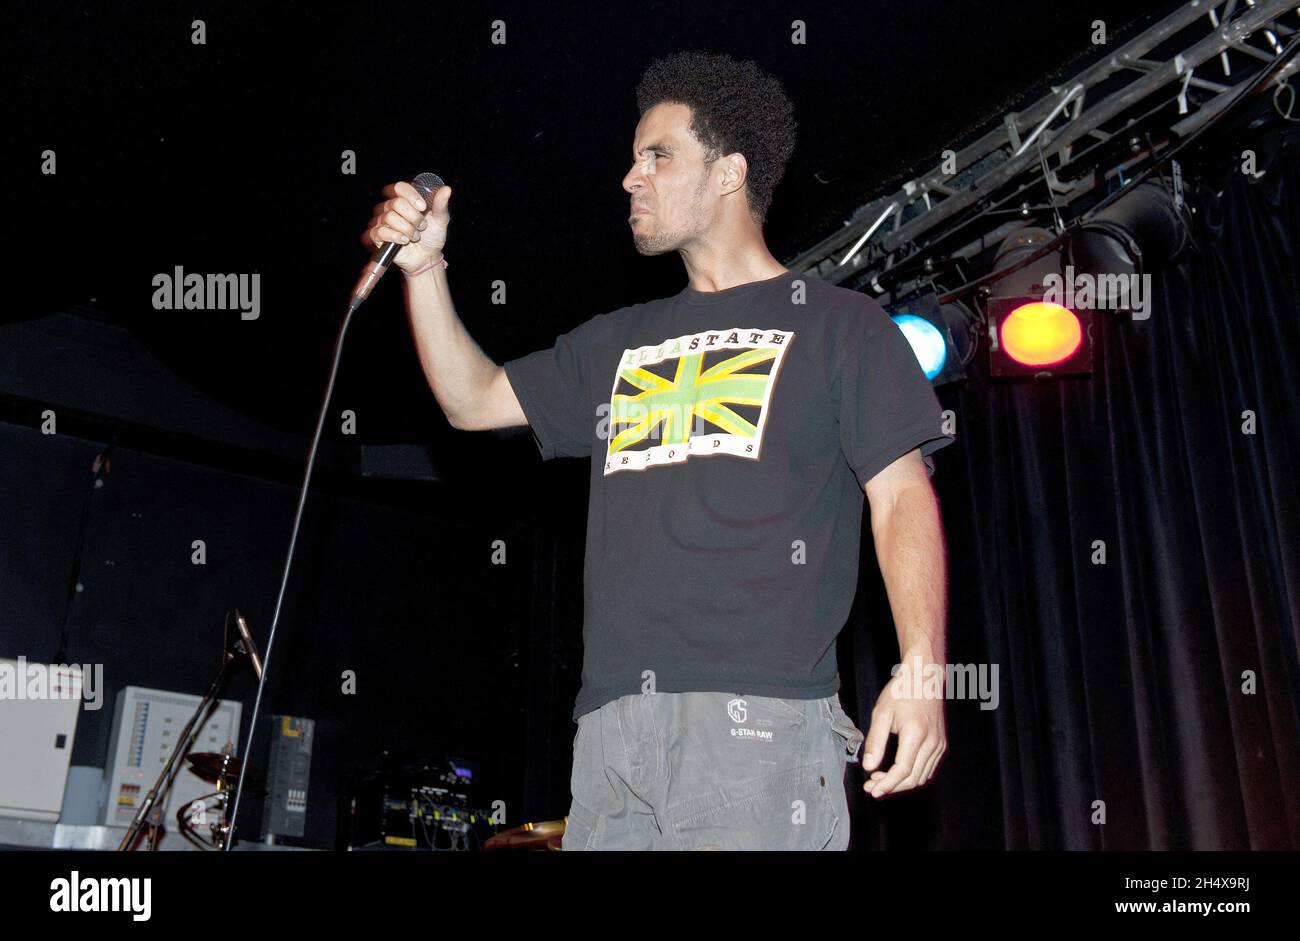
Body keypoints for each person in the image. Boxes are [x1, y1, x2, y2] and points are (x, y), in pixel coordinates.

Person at [363, 50, 954, 850]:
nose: (630, 178)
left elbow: (901, 496)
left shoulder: (839, 327)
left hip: (759, 719)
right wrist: (425, 269)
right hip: (612, 732)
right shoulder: (620, 339)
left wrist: (921, 671)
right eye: (634, 157)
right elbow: (472, 402)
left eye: (658, 155)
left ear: (728, 173)